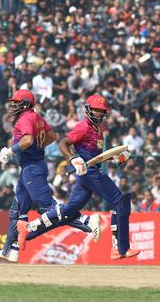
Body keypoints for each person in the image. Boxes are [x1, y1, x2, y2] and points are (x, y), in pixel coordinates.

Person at [21, 95, 139, 260]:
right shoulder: (83, 127)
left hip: (89, 171)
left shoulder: (99, 129)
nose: (98, 114)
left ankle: (29, 229)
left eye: (101, 111)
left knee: (69, 210)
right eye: (96, 110)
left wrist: (113, 158)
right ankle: (119, 248)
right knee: (119, 201)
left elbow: (95, 157)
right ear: (88, 110)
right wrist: (72, 158)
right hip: (89, 173)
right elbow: (62, 143)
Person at [0, 89, 91, 262]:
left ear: (24, 104)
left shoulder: (24, 118)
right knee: (17, 210)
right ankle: (10, 249)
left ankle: (86, 222)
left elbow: (28, 140)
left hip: (32, 168)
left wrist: (10, 151)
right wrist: (38, 145)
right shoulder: (35, 116)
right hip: (31, 167)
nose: (12, 105)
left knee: (49, 208)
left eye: (16, 102)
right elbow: (52, 135)